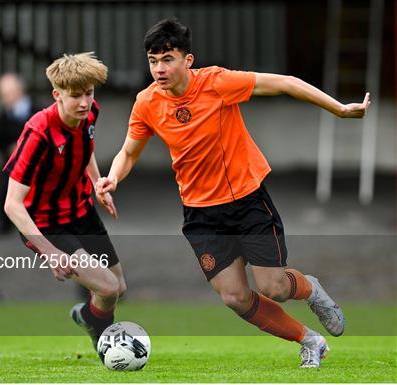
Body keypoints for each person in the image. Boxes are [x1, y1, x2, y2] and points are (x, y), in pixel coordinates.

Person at [96, 19, 370, 368]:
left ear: (188, 60)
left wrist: (339, 109)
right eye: (153, 60)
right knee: (234, 296)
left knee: (275, 288)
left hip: (246, 201)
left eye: (167, 59)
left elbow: (285, 82)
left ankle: (310, 288)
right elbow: (129, 152)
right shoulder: (147, 102)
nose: (159, 69)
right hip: (200, 213)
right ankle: (310, 341)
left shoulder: (217, 82)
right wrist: (113, 178)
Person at [3, 53, 126, 356]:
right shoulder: (38, 133)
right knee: (107, 288)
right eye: (75, 96)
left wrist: (98, 184)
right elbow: (12, 205)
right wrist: (51, 252)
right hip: (46, 223)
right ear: (57, 94)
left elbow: (86, 149)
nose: (84, 102)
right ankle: (103, 338)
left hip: (81, 210)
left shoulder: (90, 112)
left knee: (118, 289)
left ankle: (87, 317)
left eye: (89, 93)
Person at [0, 73, 40, 234]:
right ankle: (6, 223)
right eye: (4, 95)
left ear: (21, 90)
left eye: (10, 93)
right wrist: (10, 149)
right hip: (14, 164)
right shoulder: (3, 116)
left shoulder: (38, 111)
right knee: (6, 190)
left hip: (37, 163)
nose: (7, 98)